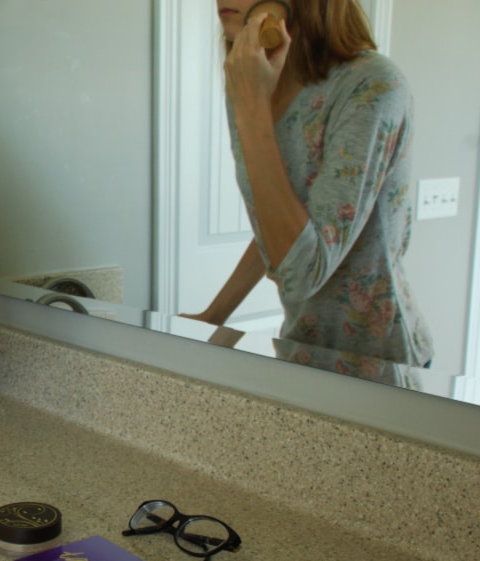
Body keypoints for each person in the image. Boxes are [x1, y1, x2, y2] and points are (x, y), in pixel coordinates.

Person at [185, 0, 433, 379]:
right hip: (302, 350)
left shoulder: (373, 85)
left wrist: (252, 110)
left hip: (381, 364)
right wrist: (213, 316)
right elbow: (281, 226)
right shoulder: (259, 81)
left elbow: (303, 272)